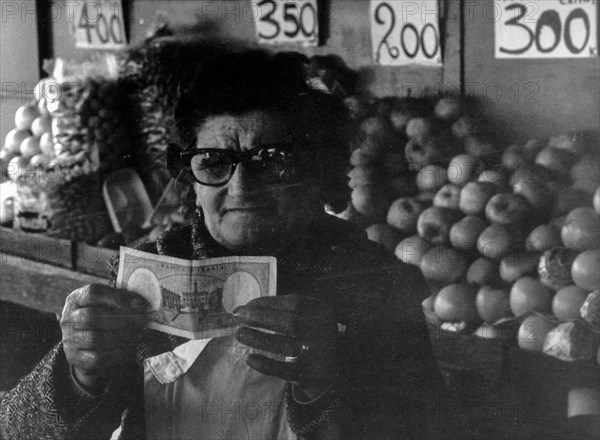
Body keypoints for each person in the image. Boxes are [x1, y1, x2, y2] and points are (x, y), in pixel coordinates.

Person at [0, 46, 449, 440]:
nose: (241, 189)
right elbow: (17, 430)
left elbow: (428, 428)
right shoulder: (147, 272)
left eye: (273, 161)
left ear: (318, 173)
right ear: (192, 182)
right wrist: (77, 374)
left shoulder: (374, 282)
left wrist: (327, 386)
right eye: (214, 163)